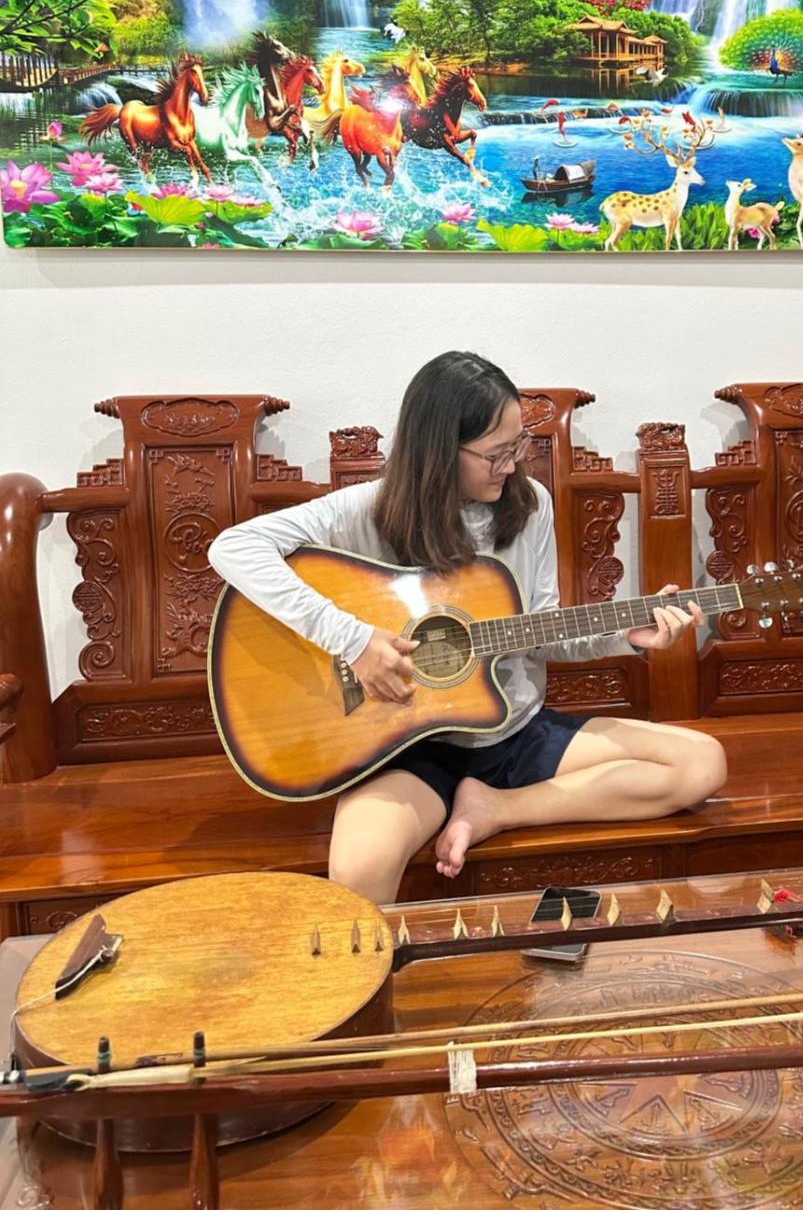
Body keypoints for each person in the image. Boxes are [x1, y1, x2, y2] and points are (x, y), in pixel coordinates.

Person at [207, 352, 726, 903]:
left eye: (518, 447)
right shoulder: (370, 509)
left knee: (701, 764)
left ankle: (495, 807)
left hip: (514, 732)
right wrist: (353, 640)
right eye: (495, 454)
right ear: (437, 450)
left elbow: (540, 630)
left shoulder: (530, 506)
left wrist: (624, 634)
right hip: (407, 748)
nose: (512, 466)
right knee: (359, 872)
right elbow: (234, 547)